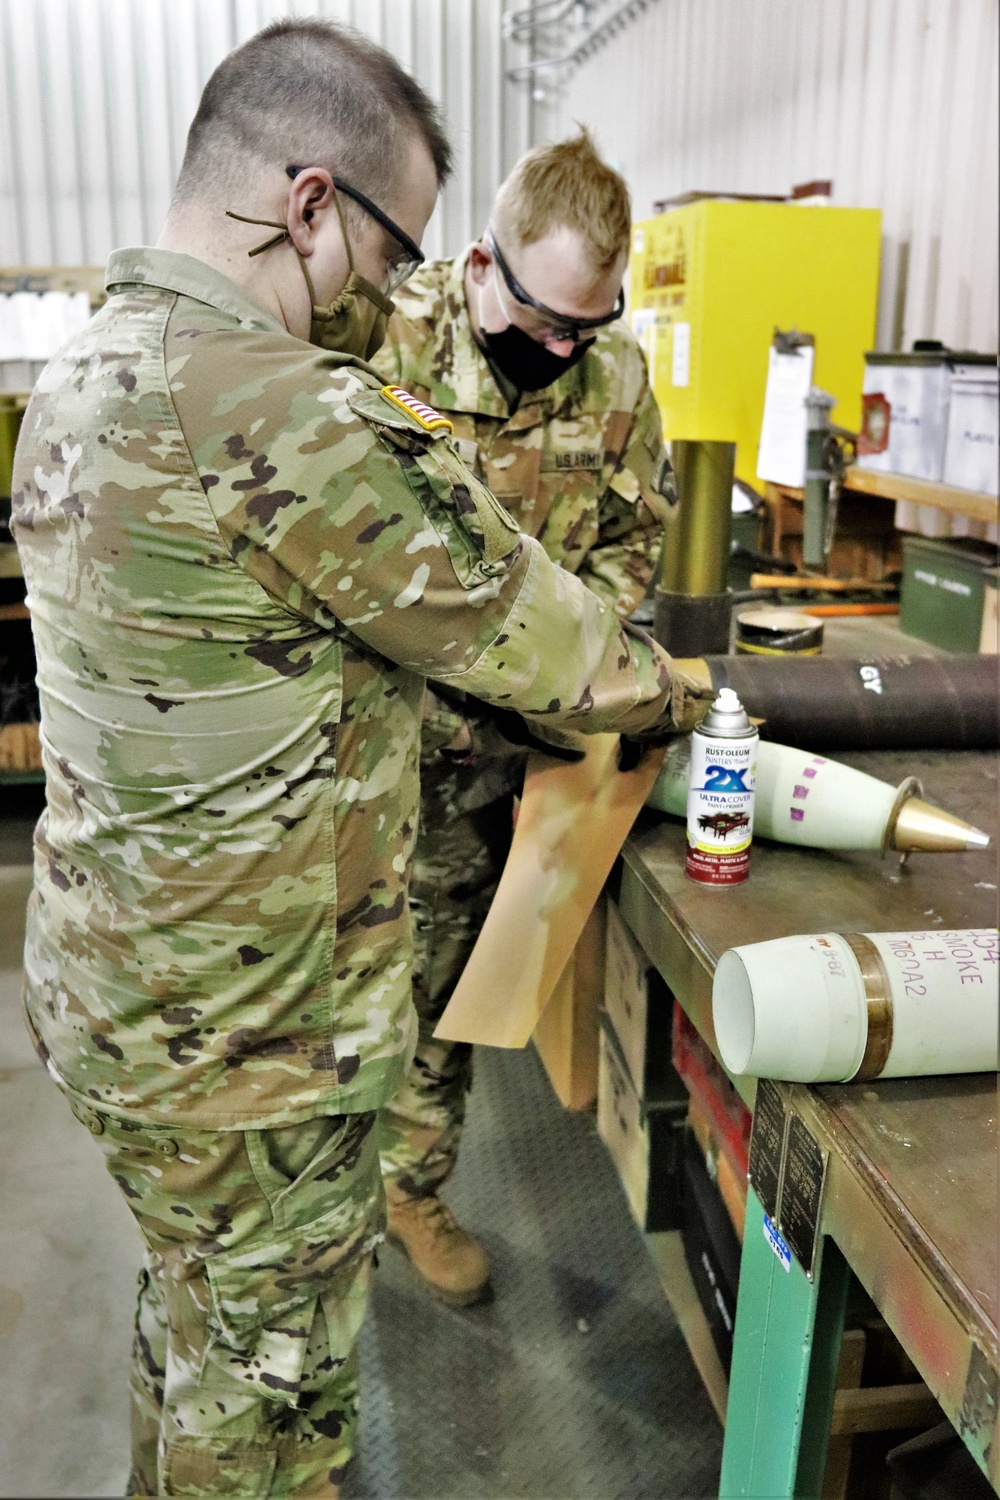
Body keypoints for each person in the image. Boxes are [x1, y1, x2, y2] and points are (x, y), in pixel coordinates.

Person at [11, 21, 702, 1500]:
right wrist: (678, 690)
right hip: (252, 1036)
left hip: (120, 991)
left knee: (203, 1322)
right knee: (271, 1419)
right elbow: (557, 647)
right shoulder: (288, 413)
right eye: (392, 262)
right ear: (312, 204)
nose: (389, 300)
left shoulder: (87, 372)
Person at [373, 129, 678, 1306]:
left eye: (586, 328)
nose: (562, 348)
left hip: (527, 754)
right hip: (382, 749)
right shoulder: (384, 346)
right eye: (546, 319)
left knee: (458, 984)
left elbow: (627, 547)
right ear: (479, 261)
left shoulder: (617, 383)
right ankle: (316, 1199)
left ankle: (411, 1190)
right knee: (341, 986)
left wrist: (563, 677)